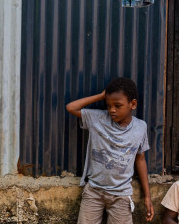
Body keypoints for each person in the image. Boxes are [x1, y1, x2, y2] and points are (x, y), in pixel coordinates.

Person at [66, 77, 154, 224]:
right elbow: (71, 107)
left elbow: (140, 159)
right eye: (108, 105)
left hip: (121, 195)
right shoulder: (97, 118)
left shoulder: (141, 127)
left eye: (117, 105)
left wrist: (147, 195)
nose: (112, 110)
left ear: (133, 104)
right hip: (94, 191)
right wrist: (101, 96)